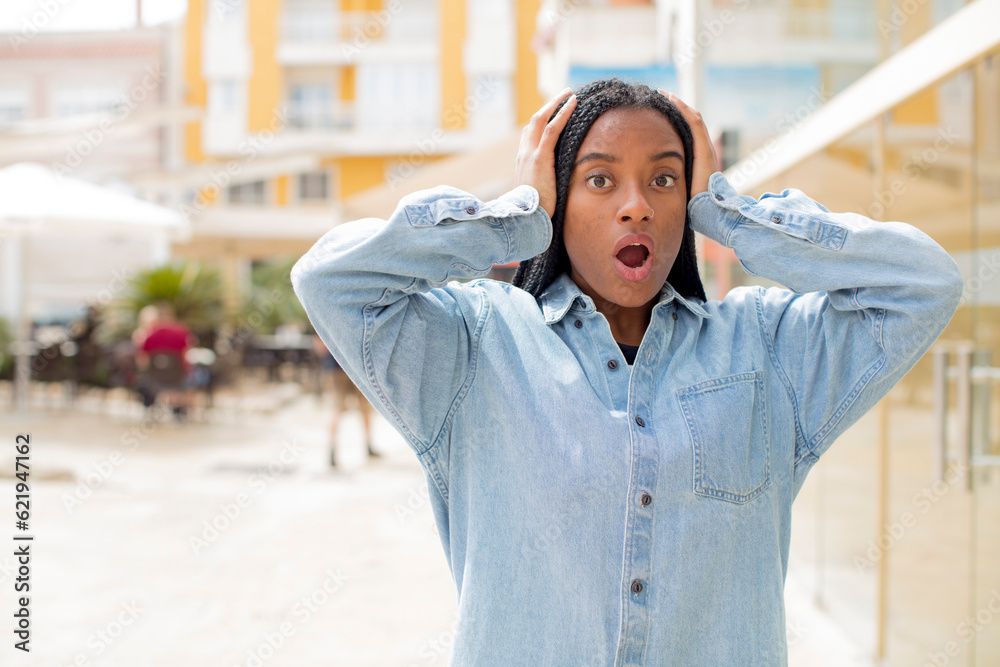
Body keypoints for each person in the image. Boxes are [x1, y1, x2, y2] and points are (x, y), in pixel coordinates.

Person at [290, 80, 963, 664]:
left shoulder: (769, 350)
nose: (636, 204)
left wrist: (735, 217)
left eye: (665, 179)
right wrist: (513, 217)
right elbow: (331, 281)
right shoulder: (476, 345)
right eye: (600, 178)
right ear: (559, 198)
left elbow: (924, 283)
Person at [312, 333, 380, 468]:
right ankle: (366, 446)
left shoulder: (325, 313)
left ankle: (336, 449)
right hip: (354, 366)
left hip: (343, 368)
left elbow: (319, 347)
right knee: (358, 407)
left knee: (341, 408)